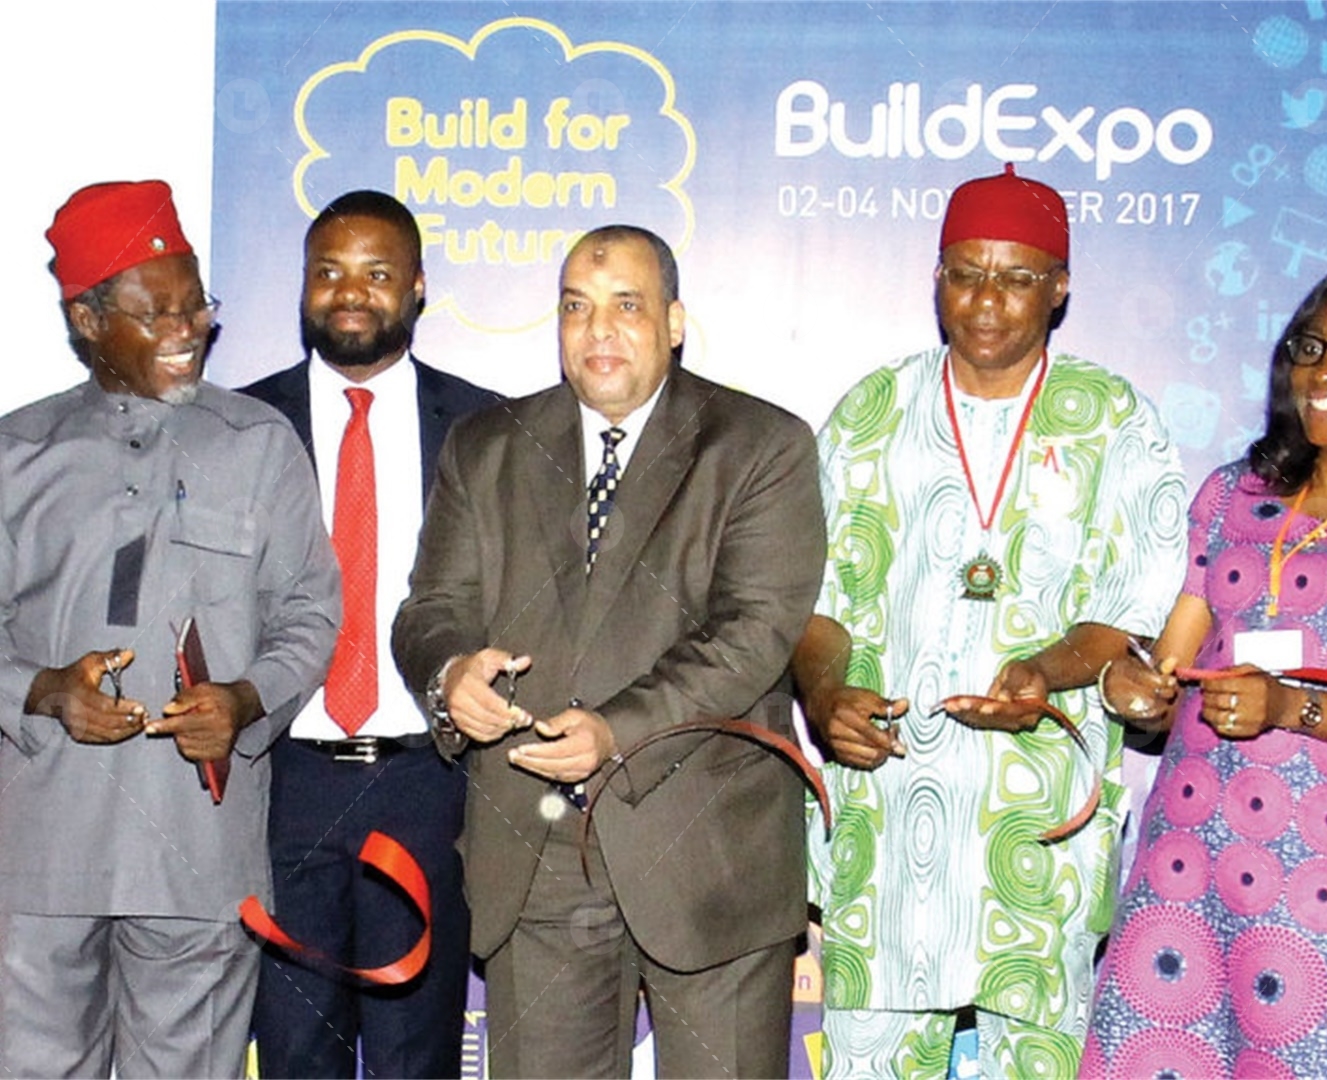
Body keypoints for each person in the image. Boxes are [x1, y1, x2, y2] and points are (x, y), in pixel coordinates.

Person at [392, 224, 825, 1078]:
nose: (599, 330)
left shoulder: (759, 445)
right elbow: (431, 609)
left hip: (709, 854)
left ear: (674, 322)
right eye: (576, 307)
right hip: (538, 850)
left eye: (627, 306)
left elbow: (753, 632)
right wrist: (451, 673)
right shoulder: (486, 447)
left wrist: (614, 730)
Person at [794, 164, 1186, 1076]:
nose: (986, 300)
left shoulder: (1114, 419)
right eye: (966, 273)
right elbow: (813, 601)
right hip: (889, 812)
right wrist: (823, 695)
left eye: (1017, 278)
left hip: (1038, 819)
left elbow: (1132, 609)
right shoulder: (871, 412)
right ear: (936, 279)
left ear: (1060, 287)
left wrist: (1047, 669)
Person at [0, 179, 340, 1077]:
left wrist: (245, 700)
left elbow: (310, 611)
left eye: (196, 307)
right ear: (86, 320)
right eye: (156, 314)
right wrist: (43, 691)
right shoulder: (16, 453)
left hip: (197, 850)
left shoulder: (259, 442)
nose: (187, 330)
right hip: (42, 853)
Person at [1081, 266, 1327, 1079]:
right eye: (1311, 348)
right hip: (1186, 868)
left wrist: (1290, 707)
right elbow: (1169, 670)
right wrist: (1134, 690)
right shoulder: (1233, 495)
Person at [242, 190, 504, 1078]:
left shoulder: (488, 429)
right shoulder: (240, 426)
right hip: (282, 786)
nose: (350, 292)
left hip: (427, 785)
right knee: (293, 1054)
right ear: (302, 285)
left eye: (377, 272)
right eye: (328, 272)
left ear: (418, 286)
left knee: (416, 1059)